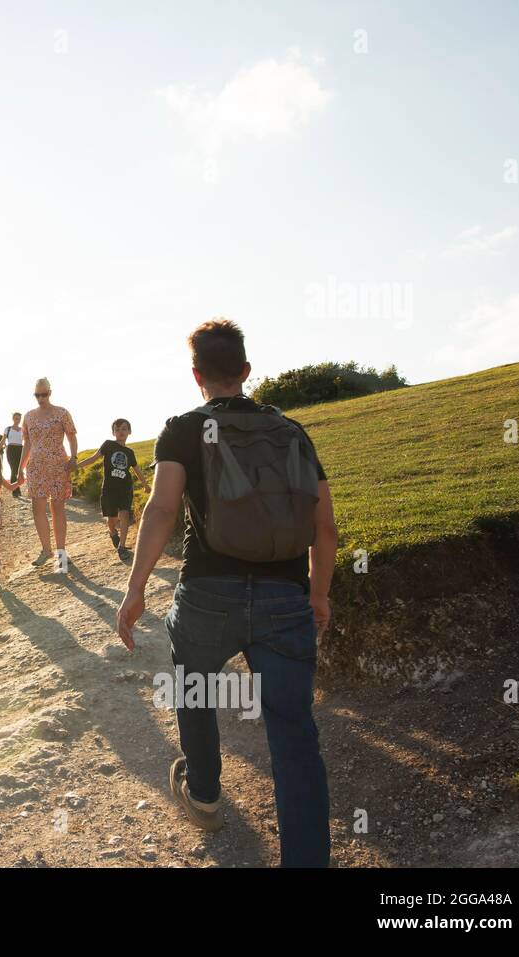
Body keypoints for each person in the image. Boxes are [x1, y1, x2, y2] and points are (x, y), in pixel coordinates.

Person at [115, 319, 336, 867]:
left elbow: (162, 508)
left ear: (197, 375)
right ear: (245, 370)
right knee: (293, 732)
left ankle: (206, 794)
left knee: (194, 686)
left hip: (208, 593)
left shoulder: (184, 429)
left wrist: (136, 586)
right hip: (286, 596)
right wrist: (320, 593)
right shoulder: (292, 432)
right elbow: (325, 526)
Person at [18, 378, 78, 567]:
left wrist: (74, 458)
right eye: (37, 395)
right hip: (36, 466)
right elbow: (27, 443)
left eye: (44, 394)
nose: (40, 398)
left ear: (50, 393)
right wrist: (20, 467)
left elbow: (71, 436)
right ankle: (46, 550)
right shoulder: (28, 416)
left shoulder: (62, 413)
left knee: (57, 508)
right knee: (38, 507)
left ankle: (61, 555)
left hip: (59, 464)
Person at [76, 418, 147, 563]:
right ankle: (112, 532)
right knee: (112, 520)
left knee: (125, 514)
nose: (121, 432)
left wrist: (145, 484)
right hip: (109, 489)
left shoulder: (129, 452)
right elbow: (93, 458)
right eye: (118, 429)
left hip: (125, 488)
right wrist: (76, 466)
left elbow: (136, 469)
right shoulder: (108, 445)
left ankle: (121, 547)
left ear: (129, 432)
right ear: (113, 432)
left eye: (124, 429)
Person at [2, 413, 24, 497]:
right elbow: (3, 440)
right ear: (13, 418)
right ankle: (15, 491)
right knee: (14, 469)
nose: (17, 420)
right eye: (16, 418)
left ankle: (17, 490)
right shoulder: (8, 429)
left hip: (20, 450)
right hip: (11, 450)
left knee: (19, 470)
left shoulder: (23, 430)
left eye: (19, 419)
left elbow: (27, 441)